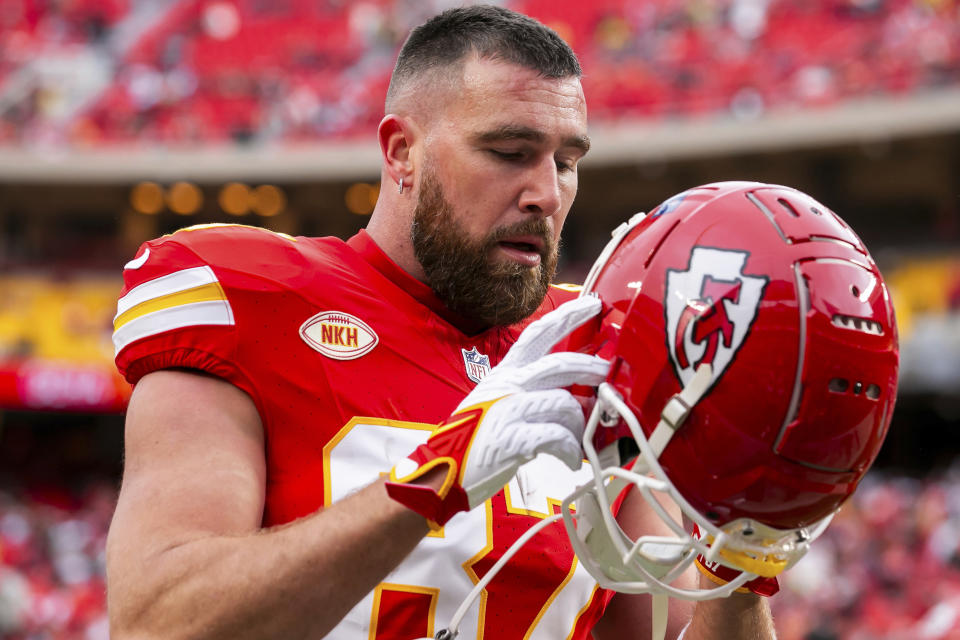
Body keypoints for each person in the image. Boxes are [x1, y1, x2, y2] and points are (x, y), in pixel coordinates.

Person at [105, 6, 776, 639]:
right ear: (402, 153)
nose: (546, 194)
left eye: (567, 162)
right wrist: (436, 477)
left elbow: (661, 625)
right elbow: (157, 620)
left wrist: (740, 555)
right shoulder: (249, 295)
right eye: (510, 152)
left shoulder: (590, 342)